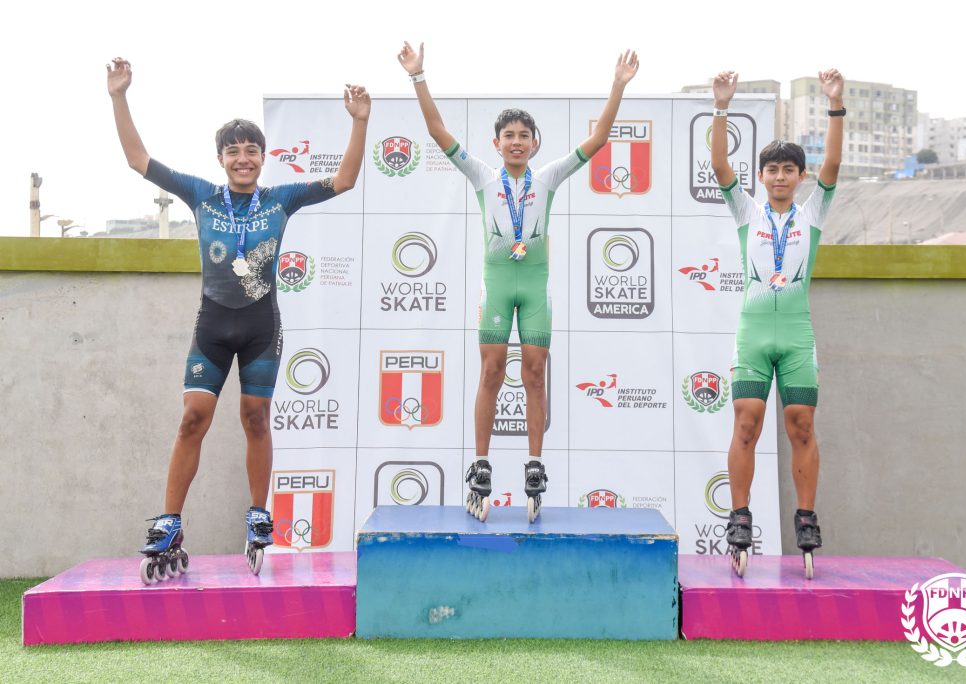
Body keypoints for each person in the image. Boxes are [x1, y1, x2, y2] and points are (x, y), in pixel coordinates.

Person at [106, 57, 370, 581]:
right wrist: (119, 96)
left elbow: (344, 179)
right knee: (192, 418)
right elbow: (138, 160)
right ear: (221, 159)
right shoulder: (202, 195)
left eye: (252, 150)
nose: (243, 158)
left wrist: (359, 122)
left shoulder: (281, 199)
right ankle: (170, 521)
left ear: (263, 158)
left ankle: (256, 512)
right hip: (212, 324)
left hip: (260, 328)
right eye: (234, 151)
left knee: (255, 417)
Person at [397, 41, 639, 522]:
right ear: (496, 144)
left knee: (534, 372)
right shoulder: (482, 176)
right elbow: (437, 130)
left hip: (534, 289)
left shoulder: (546, 178)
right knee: (491, 372)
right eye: (508, 135)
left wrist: (617, 85)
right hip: (496, 286)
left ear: (534, 144)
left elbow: (598, 140)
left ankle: (534, 466)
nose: (515, 142)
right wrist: (418, 76)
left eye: (523, 135)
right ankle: (481, 465)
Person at [709, 69, 844, 578]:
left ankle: (805, 520)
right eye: (773, 169)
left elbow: (834, 163)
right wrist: (721, 107)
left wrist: (835, 104)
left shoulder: (813, 214)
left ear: (800, 176)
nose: (781, 176)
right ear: (761, 177)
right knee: (746, 424)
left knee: (801, 425)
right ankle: (740, 518)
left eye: (789, 169)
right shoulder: (747, 212)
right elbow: (719, 164)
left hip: (795, 336)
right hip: (753, 334)